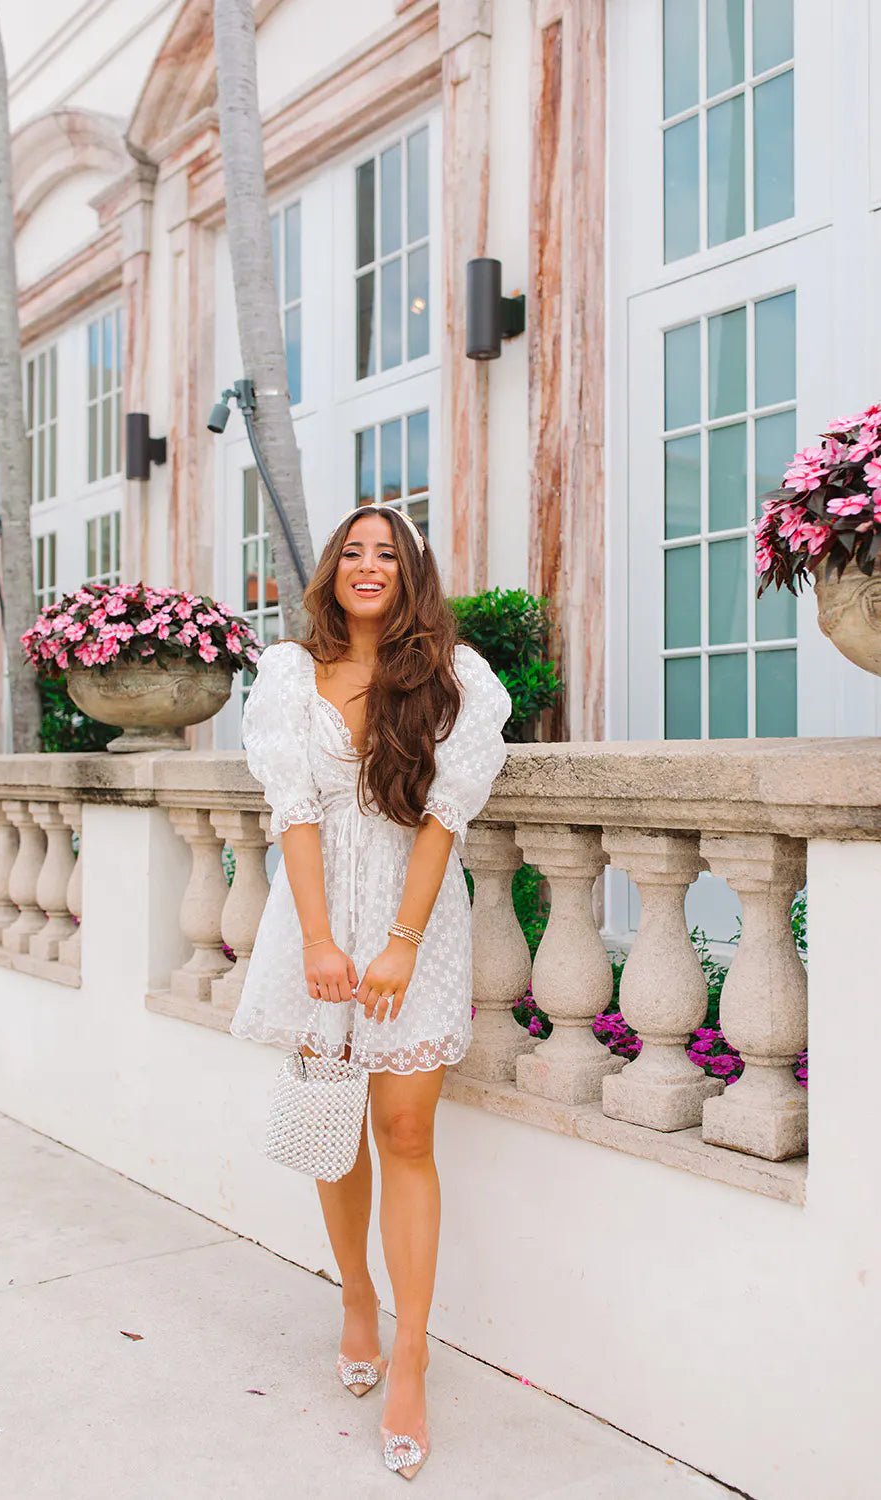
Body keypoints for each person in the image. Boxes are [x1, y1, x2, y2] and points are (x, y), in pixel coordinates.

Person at [230, 502, 512, 1479]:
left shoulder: (453, 680)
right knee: (330, 1122)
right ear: (329, 571)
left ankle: (412, 1354)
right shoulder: (285, 675)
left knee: (403, 1134)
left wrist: (396, 943)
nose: (367, 565)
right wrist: (317, 942)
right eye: (352, 551)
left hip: (414, 935)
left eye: (386, 553)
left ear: (411, 574)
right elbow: (293, 814)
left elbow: (444, 821)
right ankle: (354, 1293)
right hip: (314, 931)